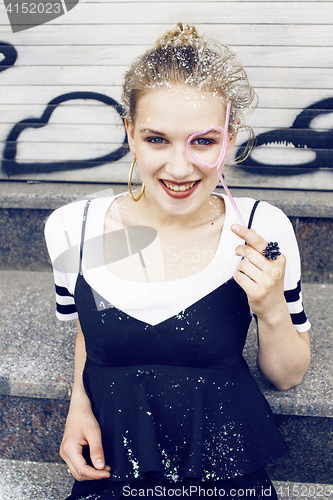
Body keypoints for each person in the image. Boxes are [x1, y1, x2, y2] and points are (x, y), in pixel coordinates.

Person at [45, 23, 311, 500]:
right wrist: (77, 409)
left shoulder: (261, 227)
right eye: (157, 139)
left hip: (227, 472)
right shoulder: (74, 228)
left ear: (229, 139)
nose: (180, 168)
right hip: (114, 466)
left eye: (203, 141)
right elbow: (92, 327)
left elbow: (287, 375)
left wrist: (271, 307)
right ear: (130, 133)